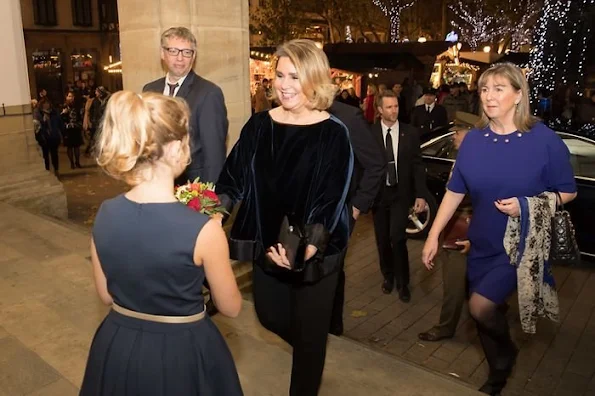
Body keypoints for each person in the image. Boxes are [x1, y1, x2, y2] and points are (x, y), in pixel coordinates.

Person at [421, 63, 577, 395]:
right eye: (485, 89)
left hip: (520, 245)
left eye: (499, 89)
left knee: (480, 306)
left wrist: (525, 205)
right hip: (482, 242)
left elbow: (568, 190)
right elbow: (455, 190)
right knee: (481, 315)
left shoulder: (543, 140)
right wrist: (433, 235)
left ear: (519, 94)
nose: (489, 97)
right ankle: (496, 374)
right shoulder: (475, 141)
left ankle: (505, 353)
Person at [79, 91, 243, 396]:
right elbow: (231, 307)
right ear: (175, 147)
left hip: (118, 344)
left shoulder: (104, 213)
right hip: (182, 350)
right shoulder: (205, 230)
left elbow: (105, 295)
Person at [216, 39, 353, 395]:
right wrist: (213, 214)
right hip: (268, 239)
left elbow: (330, 197)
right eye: (280, 75)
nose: (285, 83)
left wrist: (306, 246)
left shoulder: (333, 132)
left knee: (309, 338)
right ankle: (312, 351)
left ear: (315, 80)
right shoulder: (260, 124)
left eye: (295, 76)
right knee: (269, 315)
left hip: (315, 248)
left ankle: (310, 358)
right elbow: (234, 177)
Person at [328, 93, 387, 336]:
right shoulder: (290, 114)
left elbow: (375, 163)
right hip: (300, 212)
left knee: (330, 271)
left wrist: (357, 206)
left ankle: (331, 326)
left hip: (338, 213)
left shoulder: (347, 117)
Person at [418, 112, 478, 343]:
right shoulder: (466, 158)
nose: (454, 136)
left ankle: (446, 327)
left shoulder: (473, 163)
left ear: (471, 136)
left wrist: (473, 235)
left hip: (462, 232)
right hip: (456, 229)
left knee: (453, 285)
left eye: (459, 132)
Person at [143, 26, 228, 185]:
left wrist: (209, 202)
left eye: (186, 52)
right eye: (173, 51)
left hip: (192, 190)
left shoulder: (209, 93)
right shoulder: (149, 90)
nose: (180, 58)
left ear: (193, 56)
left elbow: (214, 156)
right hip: (154, 184)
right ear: (163, 53)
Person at [372, 90, 429, 303]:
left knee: (397, 237)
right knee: (382, 240)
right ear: (379, 110)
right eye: (389, 107)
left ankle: (403, 283)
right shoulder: (371, 133)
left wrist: (421, 194)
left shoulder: (410, 133)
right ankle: (388, 276)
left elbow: (417, 165)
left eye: (395, 106)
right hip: (379, 195)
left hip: (400, 194)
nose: (394, 111)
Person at [34, 98, 63, 176]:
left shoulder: (54, 112)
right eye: (45, 104)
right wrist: (43, 121)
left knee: (54, 154)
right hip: (44, 137)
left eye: (48, 103)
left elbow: (59, 123)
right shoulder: (38, 113)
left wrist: (62, 133)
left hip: (54, 136)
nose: (46, 105)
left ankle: (56, 170)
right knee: (45, 155)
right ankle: (47, 170)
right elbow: (37, 125)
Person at [61, 91, 83, 169]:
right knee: (69, 147)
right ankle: (71, 163)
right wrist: (63, 113)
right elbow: (61, 118)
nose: (71, 98)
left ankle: (77, 162)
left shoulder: (77, 106)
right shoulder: (64, 106)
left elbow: (80, 116)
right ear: (66, 97)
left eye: (72, 96)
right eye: (69, 96)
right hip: (68, 129)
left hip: (76, 128)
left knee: (77, 147)